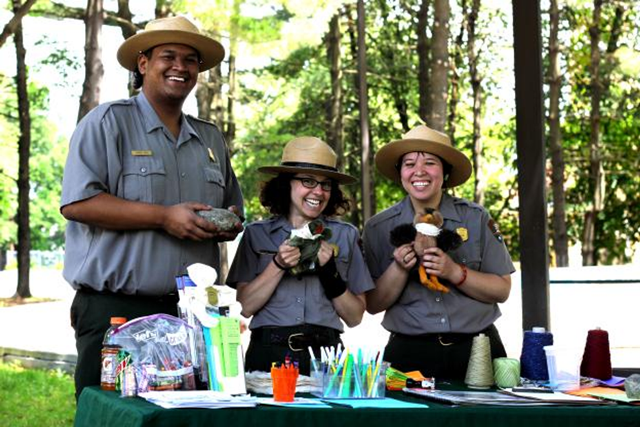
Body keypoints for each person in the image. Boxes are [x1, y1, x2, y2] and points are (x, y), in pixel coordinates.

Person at [60, 16, 243, 399]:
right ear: (143, 63)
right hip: (118, 312)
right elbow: (77, 203)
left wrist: (226, 224)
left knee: (187, 418)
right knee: (113, 416)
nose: (180, 67)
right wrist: (163, 217)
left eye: (190, 60)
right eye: (169, 56)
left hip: (192, 316)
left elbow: (232, 209)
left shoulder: (210, 137)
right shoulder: (108, 122)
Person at [362, 124, 514, 381]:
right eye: (409, 164)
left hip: (478, 350)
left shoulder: (476, 218)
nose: (419, 171)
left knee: (486, 423)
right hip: (409, 353)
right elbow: (373, 305)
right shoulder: (377, 228)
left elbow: (502, 290)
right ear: (401, 174)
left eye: (430, 163)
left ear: (445, 172)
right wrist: (399, 268)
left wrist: (454, 272)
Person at [226, 136, 374, 375]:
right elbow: (244, 307)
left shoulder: (345, 235)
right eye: (308, 181)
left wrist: (330, 272)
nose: (319, 191)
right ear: (287, 184)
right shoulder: (256, 234)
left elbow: (355, 317)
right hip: (268, 353)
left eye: (326, 184)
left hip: (327, 356)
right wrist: (277, 264)